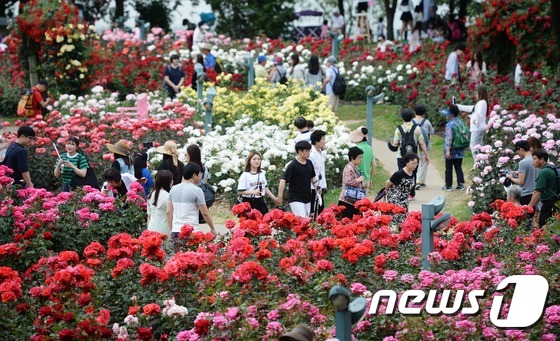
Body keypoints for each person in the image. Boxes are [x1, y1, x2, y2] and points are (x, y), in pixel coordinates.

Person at [167, 162, 217, 238]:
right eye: (199, 174)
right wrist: (212, 228)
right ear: (194, 175)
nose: (200, 176)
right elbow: (205, 213)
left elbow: (169, 212)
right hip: (191, 231)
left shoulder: (173, 189)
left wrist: (172, 228)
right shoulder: (197, 190)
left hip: (176, 230)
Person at [276, 141, 318, 218]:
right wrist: (280, 196)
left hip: (307, 197)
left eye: (309, 150)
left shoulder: (309, 163)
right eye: (307, 151)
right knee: (301, 219)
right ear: (299, 151)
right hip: (295, 197)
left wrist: (316, 185)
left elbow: (313, 176)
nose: (309, 153)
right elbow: (283, 180)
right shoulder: (293, 165)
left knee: (306, 220)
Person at [529, 149, 559, 228]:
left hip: (549, 205)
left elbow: (538, 191)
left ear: (542, 159)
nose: (533, 161)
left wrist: (529, 206)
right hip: (555, 203)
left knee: (544, 228)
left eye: (535, 159)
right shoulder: (551, 168)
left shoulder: (544, 172)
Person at [457, 85, 488, 159]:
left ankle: (477, 163)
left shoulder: (481, 102)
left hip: (477, 128)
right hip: (480, 127)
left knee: (473, 146)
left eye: (477, 93)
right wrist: (459, 106)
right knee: (479, 145)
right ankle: (481, 163)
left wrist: (476, 120)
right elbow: (472, 108)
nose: (476, 95)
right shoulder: (482, 102)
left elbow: (479, 113)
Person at [384, 153, 419, 219]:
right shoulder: (399, 173)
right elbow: (388, 182)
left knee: (404, 216)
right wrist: (386, 190)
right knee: (398, 216)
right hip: (395, 197)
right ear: (406, 162)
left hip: (404, 198)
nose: (414, 165)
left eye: (416, 163)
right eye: (413, 163)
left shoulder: (412, 173)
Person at [441, 105, 465, 191]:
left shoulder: (449, 125)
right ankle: (460, 184)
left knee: (448, 167)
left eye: (448, 114)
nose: (446, 115)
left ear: (451, 114)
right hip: (460, 148)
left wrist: (447, 150)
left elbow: (449, 138)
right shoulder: (460, 122)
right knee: (458, 167)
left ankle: (448, 185)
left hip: (451, 149)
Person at [507, 140, 537, 206]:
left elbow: (521, 182)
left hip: (526, 194)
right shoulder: (536, 160)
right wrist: (519, 173)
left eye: (518, 151)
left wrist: (511, 178)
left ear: (520, 149)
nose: (518, 153)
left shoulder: (523, 162)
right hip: (536, 194)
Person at [338, 146, 365, 219]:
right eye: (359, 157)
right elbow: (348, 181)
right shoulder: (349, 168)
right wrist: (358, 180)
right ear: (353, 157)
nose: (361, 159)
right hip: (347, 201)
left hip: (352, 200)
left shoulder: (354, 167)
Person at [412, 104, 434, 189]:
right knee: (424, 163)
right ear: (424, 113)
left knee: (413, 162)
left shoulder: (411, 121)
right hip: (424, 144)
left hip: (414, 145)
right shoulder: (427, 122)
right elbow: (431, 132)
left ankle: (414, 180)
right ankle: (420, 181)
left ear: (415, 112)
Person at [147, 170, 173, 236]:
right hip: (164, 230)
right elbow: (169, 213)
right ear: (168, 182)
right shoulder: (168, 196)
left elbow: (149, 215)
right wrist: (172, 229)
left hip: (151, 228)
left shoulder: (150, 195)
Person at [349, 126, 376, 191]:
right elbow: (374, 165)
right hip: (366, 180)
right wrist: (370, 178)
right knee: (364, 200)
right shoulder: (369, 148)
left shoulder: (356, 149)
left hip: (357, 179)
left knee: (355, 200)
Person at [309, 130, 327, 216]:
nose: (324, 141)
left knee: (321, 209)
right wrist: (315, 185)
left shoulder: (320, 151)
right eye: (323, 139)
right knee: (315, 210)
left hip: (321, 184)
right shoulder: (311, 154)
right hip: (314, 186)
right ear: (316, 141)